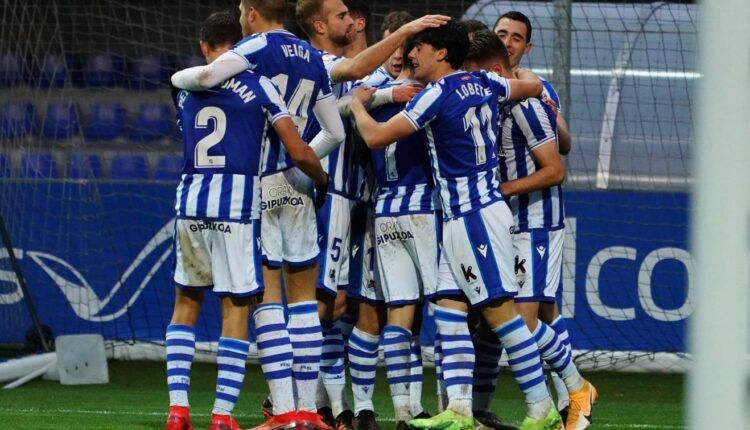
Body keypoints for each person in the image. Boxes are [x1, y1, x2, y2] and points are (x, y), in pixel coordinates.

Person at [349, 21, 563, 430]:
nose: (412, 56)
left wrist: (359, 104)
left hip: (474, 215)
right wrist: (539, 88)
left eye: (419, 48)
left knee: (501, 314)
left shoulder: (435, 95)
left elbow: (376, 137)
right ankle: (459, 409)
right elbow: (529, 88)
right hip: (463, 216)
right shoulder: (485, 82)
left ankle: (542, 407)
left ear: (441, 54)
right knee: (448, 306)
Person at [171, 2, 345, 429]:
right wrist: (310, 172)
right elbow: (335, 132)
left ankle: (281, 411)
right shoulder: (309, 57)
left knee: (257, 299)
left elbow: (207, 76)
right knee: (303, 299)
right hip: (298, 182)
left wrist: (176, 76)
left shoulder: (251, 52)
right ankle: (306, 409)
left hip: (246, 188)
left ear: (250, 12)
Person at [295, 2, 448, 428]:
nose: (401, 55)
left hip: (370, 206)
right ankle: (308, 399)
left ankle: (356, 407)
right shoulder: (349, 74)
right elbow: (352, 101)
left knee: (369, 309)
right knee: (327, 303)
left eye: (409, 46)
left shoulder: (413, 86)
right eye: (396, 45)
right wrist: (385, 94)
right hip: (338, 196)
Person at [465, 29, 598, 430]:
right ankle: (489, 408)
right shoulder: (496, 105)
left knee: (521, 323)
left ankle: (575, 390)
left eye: (474, 75)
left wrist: (502, 189)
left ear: (493, 71)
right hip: (506, 225)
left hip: (535, 226)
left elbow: (555, 169)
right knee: (497, 322)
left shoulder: (529, 106)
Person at [493, 11, 571, 155]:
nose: (506, 43)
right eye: (501, 35)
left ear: (527, 48)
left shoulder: (541, 88)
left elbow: (565, 146)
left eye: (516, 39)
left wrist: (552, 119)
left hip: (517, 177)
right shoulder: (474, 80)